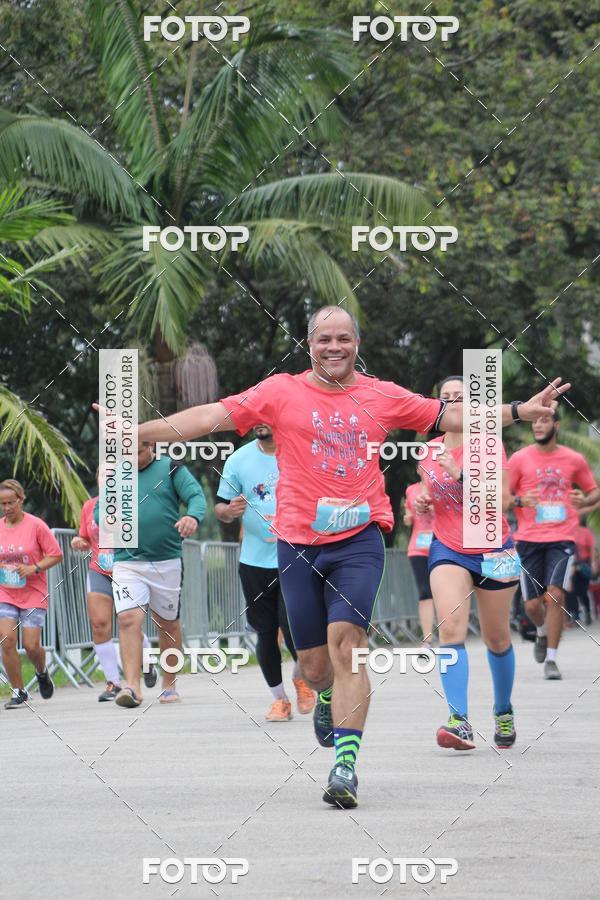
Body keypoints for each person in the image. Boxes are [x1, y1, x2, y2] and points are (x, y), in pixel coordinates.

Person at [129, 306, 568, 807]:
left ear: (357, 344)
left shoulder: (381, 394)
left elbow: (447, 414)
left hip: (359, 538)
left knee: (348, 644)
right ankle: (327, 699)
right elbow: (211, 416)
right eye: (324, 340)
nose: (333, 347)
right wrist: (142, 433)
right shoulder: (279, 392)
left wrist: (517, 410)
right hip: (296, 542)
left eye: (343, 338)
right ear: (309, 344)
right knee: (316, 669)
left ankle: (345, 765)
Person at [416, 377, 520, 752]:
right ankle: (458, 720)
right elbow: (429, 496)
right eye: (446, 398)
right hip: (449, 548)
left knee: (497, 637)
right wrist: (422, 503)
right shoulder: (427, 452)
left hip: (495, 548)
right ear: (438, 407)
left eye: (461, 398)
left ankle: (503, 709)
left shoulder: (490, 446)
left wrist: (461, 474)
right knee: (451, 630)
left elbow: (503, 501)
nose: (454, 404)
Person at [215, 424, 315, 721]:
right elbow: (220, 506)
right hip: (255, 561)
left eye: (266, 416)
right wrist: (229, 512)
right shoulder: (238, 459)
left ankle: (304, 679)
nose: (260, 422)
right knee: (266, 633)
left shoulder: (300, 453)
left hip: (296, 556)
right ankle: (280, 700)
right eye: (255, 417)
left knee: (296, 627)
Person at [95, 443, 206, 707]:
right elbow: (100, 512)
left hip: (166, 561)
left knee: (167, 624)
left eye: (138, 451)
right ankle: (132, 687)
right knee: (128, 619)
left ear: (152, 446)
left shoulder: (170, 468)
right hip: (127, 562)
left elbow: (196, 497)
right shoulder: (116, 475)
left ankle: (169, 684)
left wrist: (193, 517)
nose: (132, 457)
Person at [508, 410, 599, 679]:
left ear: (556, 425)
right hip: (528, 539)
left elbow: (594, 491)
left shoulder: (574, 459)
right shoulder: (519, 459)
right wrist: (520, 502)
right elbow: (503, 497)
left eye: (544, 420)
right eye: (534, 421)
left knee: (555, 595)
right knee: (532, 606)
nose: (538, 425)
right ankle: (542, 631)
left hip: (562, 536)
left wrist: (587, 502)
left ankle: (551, 659)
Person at [71, 468, 156, 702]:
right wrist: (79, 541)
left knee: (129, 624)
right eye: (104, 475)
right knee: (99, 624)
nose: (108, 479)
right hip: (99, 570)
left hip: (129, 572)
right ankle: (113, 683)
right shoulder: (90, 506)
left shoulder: (134, 503)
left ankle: (147, 660)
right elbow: (85, 537)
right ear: (97, 478)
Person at [0, 479, 62, 708]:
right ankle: (18, 691)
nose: (6, 508)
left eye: (10, 503)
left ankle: (41, 672)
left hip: (33, 592)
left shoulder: (36, 526)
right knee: (6, 640)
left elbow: (56, 554)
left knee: (31, 645)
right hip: (5, 592)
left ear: (21, 500)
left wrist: (34, 568)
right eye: (2, 504)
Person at [403, 475, 435, 651]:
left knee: (444, 593)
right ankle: (427, 640)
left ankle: (449, 634)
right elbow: (408, 513)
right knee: (425, 593)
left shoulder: (442, 486)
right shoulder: (411, 490)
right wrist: (407, 517)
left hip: (441, 546)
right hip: (418, 548)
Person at [566, 515, 598, 627]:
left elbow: (592, 548)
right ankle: (575, 614)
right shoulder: (566, 531)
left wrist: (593, 563)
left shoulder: (585, 532)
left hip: (584, 564)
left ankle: (587, 611)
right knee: (571, 590)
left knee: (583, 591)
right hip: (570, 565)